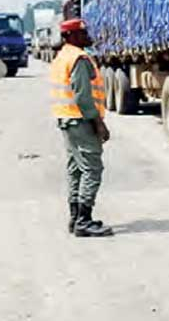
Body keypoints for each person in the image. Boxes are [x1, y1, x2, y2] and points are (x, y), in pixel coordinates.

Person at [50, 19, 114, 237]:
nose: (87, 36)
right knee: (92, 168)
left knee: (76, 169)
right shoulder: (78, 58)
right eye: (82, 33)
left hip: (67, 120)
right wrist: (99, 123)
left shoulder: (62, 57)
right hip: (81, 120)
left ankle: (75, 217)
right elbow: (83, 96)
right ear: (71, 36)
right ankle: (84, 221)